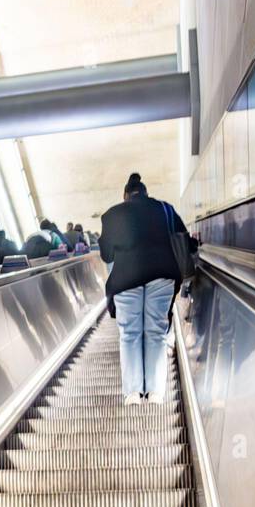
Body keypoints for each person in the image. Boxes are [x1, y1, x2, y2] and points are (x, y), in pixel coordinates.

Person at [99, 171, 194, 405]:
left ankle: (132, 393)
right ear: (145, 193)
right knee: (155, 333)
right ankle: (155, 393)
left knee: (130, 334)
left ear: (125, 196)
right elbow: (184, 239)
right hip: (162, 276)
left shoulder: (112, 215)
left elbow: (106, 254)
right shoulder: (165, 209)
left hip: (125, 278)